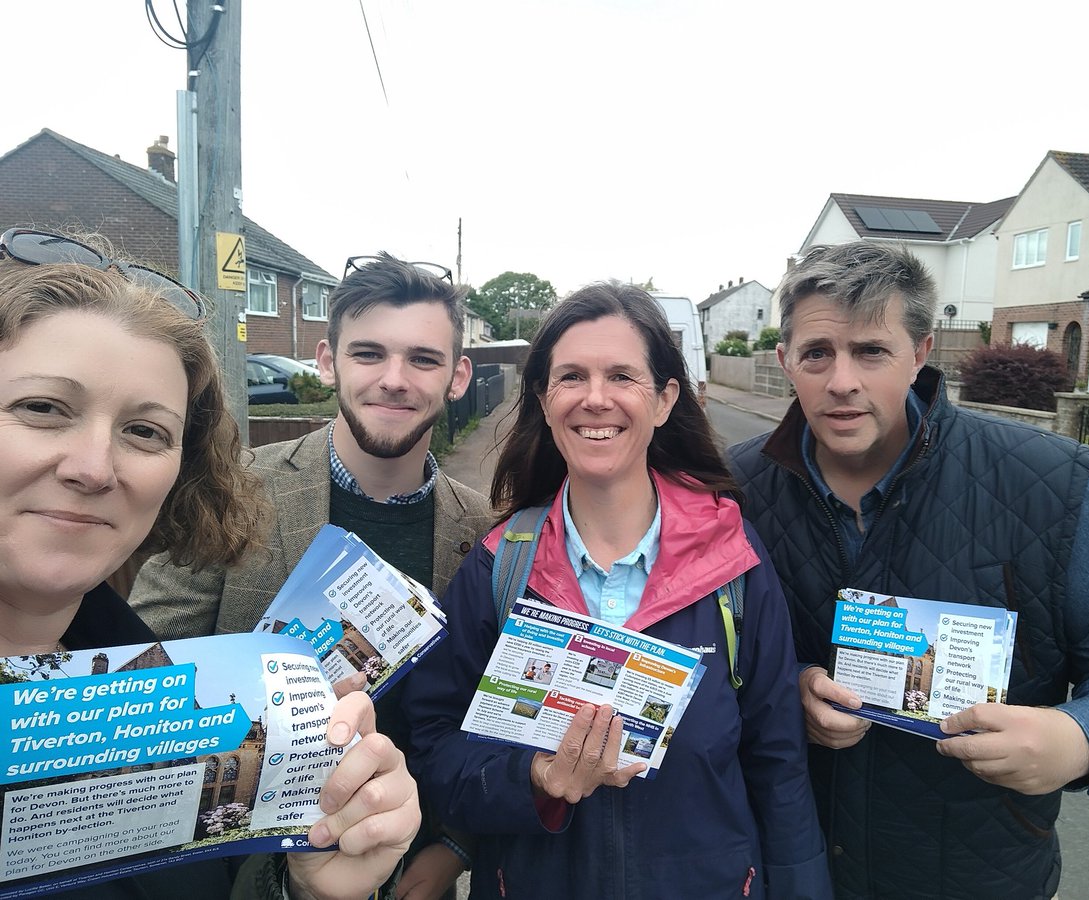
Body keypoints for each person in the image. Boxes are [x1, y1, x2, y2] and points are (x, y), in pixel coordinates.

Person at [728, 240, 1089, 899]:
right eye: (817, 354)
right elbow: (708, 657)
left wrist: (1081, 738)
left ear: (920, 352)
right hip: (794, 873)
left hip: (984, 877)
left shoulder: (1042, 483)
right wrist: (787, 686)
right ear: (785, 360)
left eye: (871, 351)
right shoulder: (735, 489)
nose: (842, 381)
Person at [0, 229, 420, 899]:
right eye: (42, 408)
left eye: (145, 431)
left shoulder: (151, 684)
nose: (93, 467)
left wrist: (305, 889)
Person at [405, 282, 832, 899]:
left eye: (622, 377)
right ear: (546, 402)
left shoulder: (733, 561)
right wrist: (536, 778)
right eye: (572, 376)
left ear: (663, 400)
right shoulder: (500, 569)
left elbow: (779, 764)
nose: (596, 399)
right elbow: (437, 748)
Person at [130, 252, 493, 897]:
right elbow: (143, 663)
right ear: (328, 361)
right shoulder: (235, 492)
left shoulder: (484, 529)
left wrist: (457, 846)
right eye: (368, 354)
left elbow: (484, 716)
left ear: (458, 376)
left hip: (421, 867)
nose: (394, 379)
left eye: (423, 359)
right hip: (248, 868)